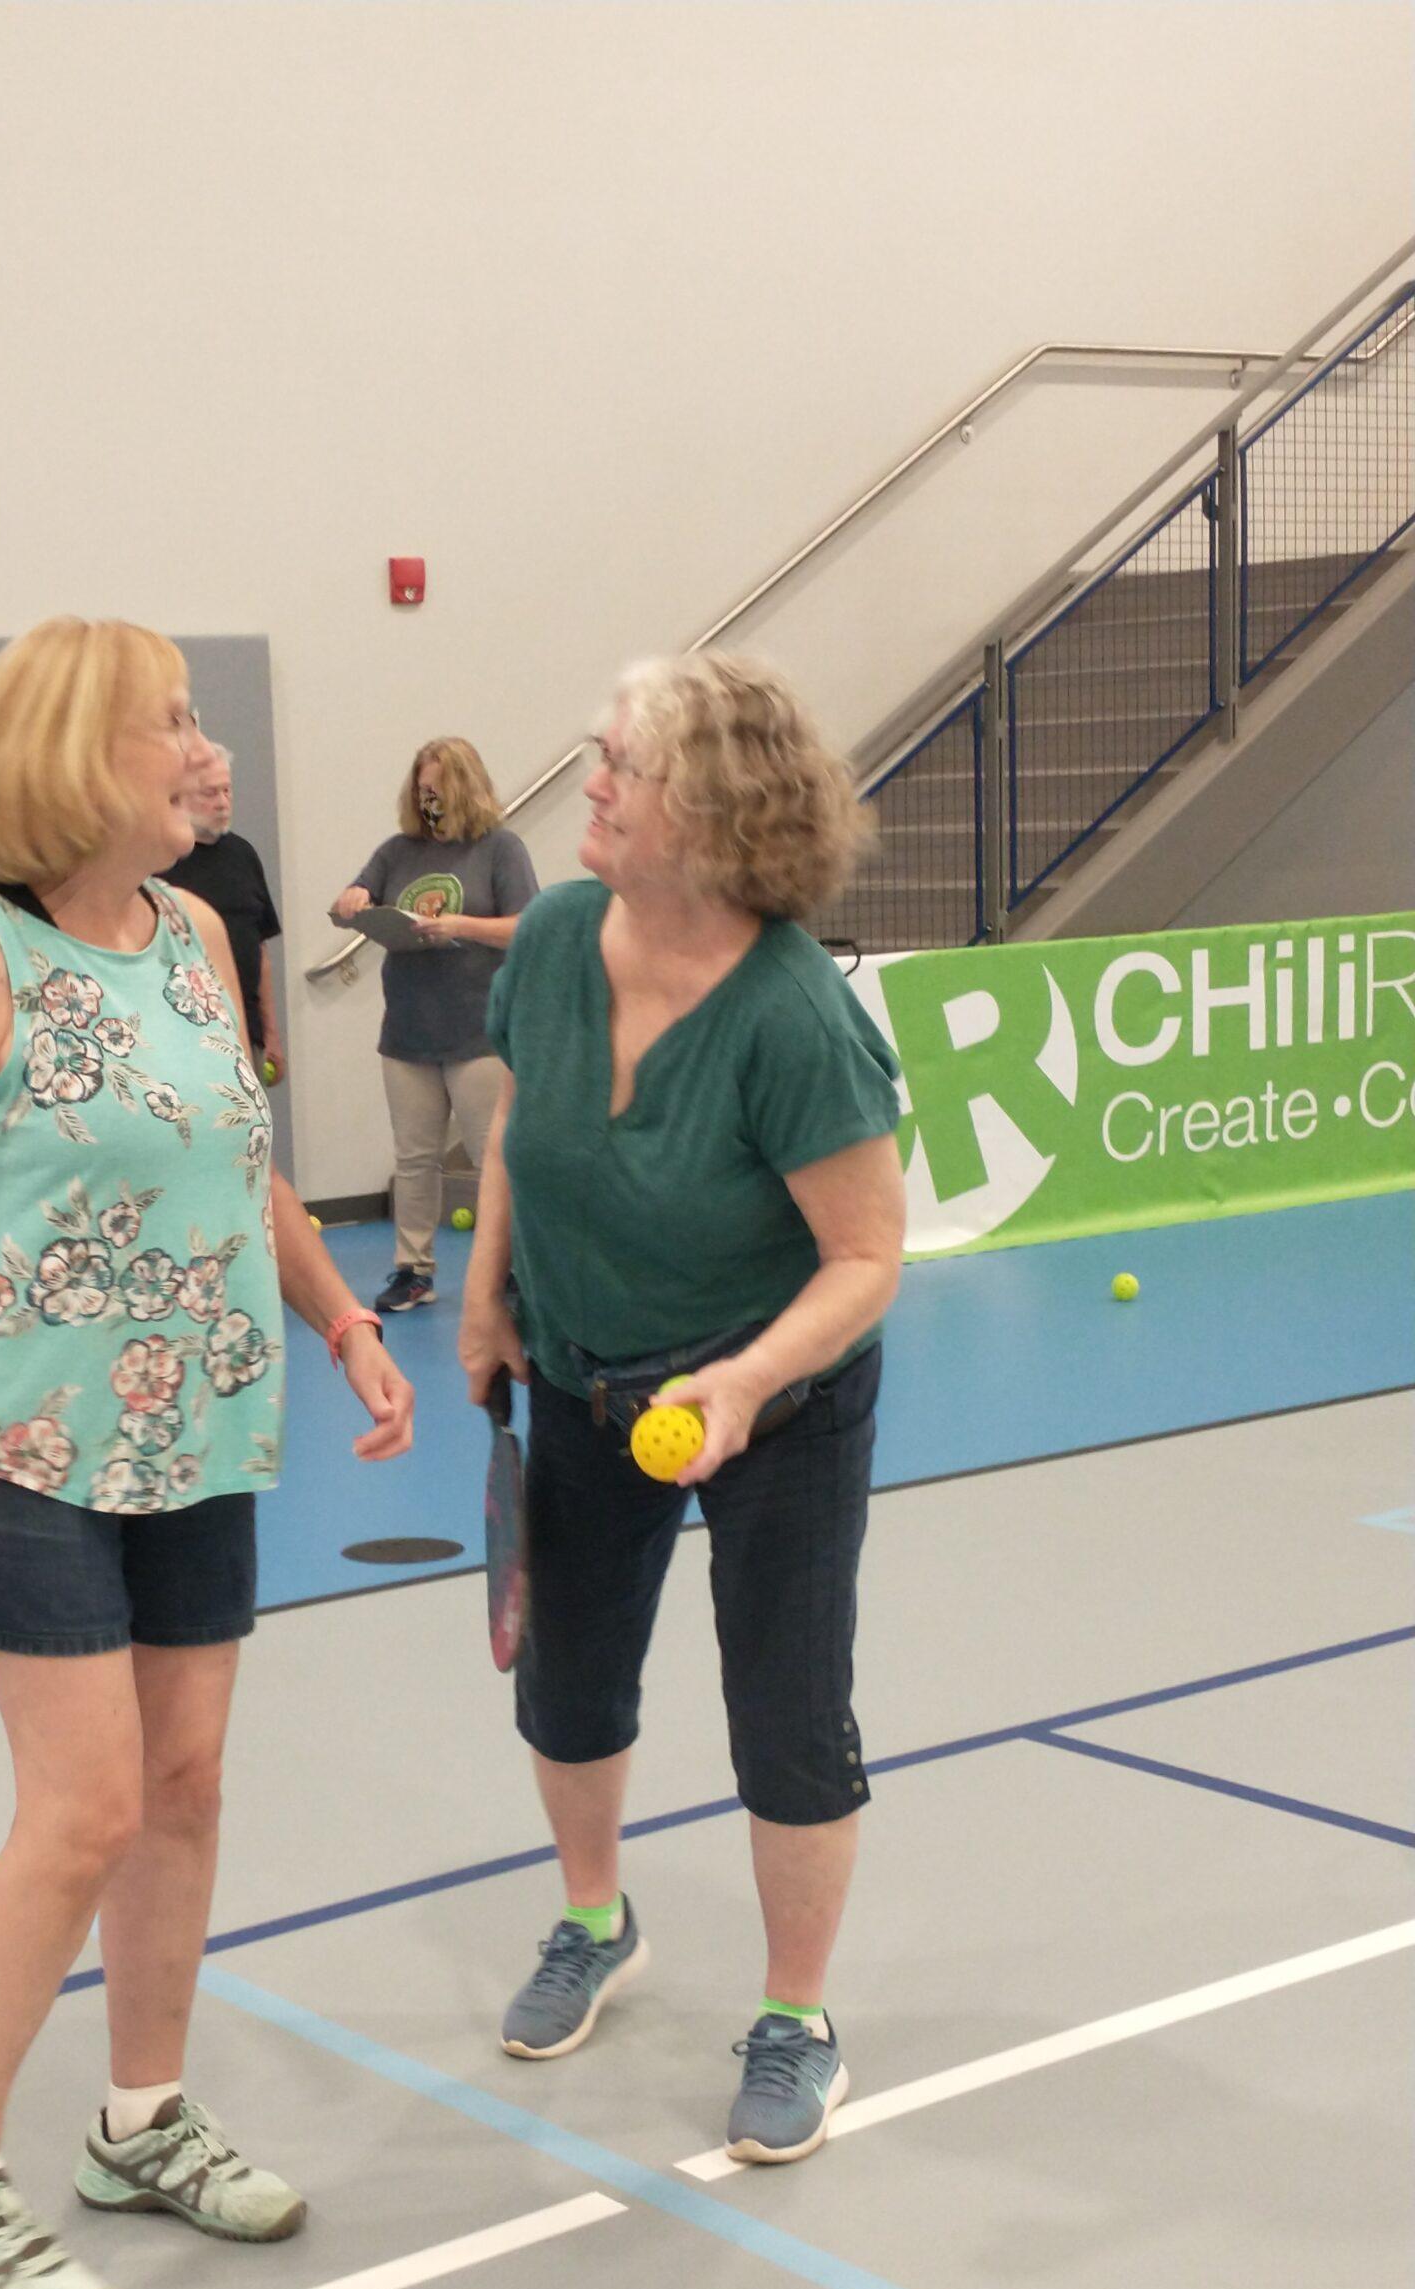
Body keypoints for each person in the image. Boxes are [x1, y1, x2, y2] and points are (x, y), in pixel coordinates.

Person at [0, 616, 413, 2289]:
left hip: (203, 1432)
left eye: (192, 716)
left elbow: (243, 1168)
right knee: (83, 1808)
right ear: (67, 758)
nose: (200, 747)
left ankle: (139, 2119)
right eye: (164, 723)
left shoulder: (194, 934)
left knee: (184, 1788)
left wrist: (338, 1322)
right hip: (26, 1445)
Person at [456, 653, 904, 2166]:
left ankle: (797, 2018)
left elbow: (866, 1258)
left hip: (775, 1402)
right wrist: (484, 1293)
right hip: (583, 1377)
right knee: (571, 1687)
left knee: (786, 1710)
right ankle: (597, 1918)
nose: (589, 784)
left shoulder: (791, 1016)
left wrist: (747, 1380)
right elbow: (521, 1113)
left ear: (706, 813)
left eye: (618, 767)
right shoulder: (568, 931)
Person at [330, 738, 537, 1314]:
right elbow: (362, 892)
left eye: (439, 791)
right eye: (423, 791)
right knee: (414, 1157)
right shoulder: (398, 852)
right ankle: (412, 1270)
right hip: (408, 1032)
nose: (430, 802)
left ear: (465, 788)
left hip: (479, 1032)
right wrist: (355, 898)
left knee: (493, 1156)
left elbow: (527, 925)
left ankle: (517, 1270)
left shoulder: (501, 849)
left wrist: (460, 926)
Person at [158, 738, 286, 1081]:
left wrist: (270, 1032)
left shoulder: (243, 855)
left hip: (246, 1030)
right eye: (210, 793)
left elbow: (260, 952)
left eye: (227, 791)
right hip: (183, 1034)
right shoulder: (159, 861)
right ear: (179, 796)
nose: (223, 802)